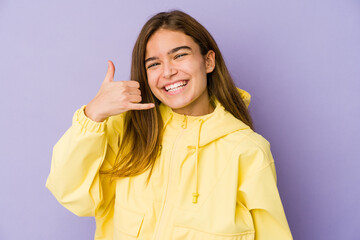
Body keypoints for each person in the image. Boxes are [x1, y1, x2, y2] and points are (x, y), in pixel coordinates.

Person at [46, 10, 293, 240]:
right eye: (154, 64)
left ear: (208, 61)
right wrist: (93, 114)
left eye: (180, 55)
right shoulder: (128, 131)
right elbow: (71, 194)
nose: (168, 72)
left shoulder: (247, 150)